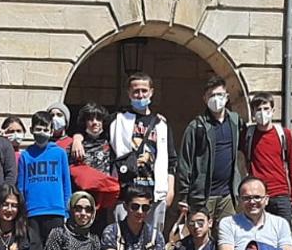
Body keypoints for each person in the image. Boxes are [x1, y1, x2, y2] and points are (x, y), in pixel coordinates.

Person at [106, 71, 172, 228]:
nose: (140, 95)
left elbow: (172, 160)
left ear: (151, 92)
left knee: (153, 240)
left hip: (155, 194)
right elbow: (93, 131)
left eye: (144, 90)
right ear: (129, 93)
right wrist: (78, 138)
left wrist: (170, 190)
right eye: (136, 91)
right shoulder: (117, 120)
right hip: (125, 193)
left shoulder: (161, 124)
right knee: (122, 239)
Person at [177, 75, 244, 225]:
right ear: (205, 99)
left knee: (227, 238)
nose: (216, 99)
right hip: (202, 197)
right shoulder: (196, 126)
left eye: (219, 94)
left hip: (228, 196)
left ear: (227, 97)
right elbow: (184, 163)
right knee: (200, 237)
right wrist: (183, 197)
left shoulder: (235, 121)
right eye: (211, 95)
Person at [241, 92, 292, 223]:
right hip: (257, 196)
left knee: (284, 239)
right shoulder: (248, 135)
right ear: (253, 112)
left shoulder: (283, 134)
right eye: (259, 109)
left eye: (266, 108)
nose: (262, 113)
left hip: (281, 196)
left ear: (273, 110)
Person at [18, 110, 72, 242]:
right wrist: (22, 213)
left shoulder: (60, 153)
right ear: (31, 130)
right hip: (32, 212)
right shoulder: (25, 155)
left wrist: (67, 212)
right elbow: (20, 188)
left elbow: (66, 184)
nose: (42, 132)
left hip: (56, 211)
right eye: (38, 129)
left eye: (45, 129)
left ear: (51, 131)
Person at [68, 103, 120, 224]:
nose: (95, 122)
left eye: (98, 119)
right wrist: (77, 138)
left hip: (104, 200)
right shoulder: (76, 145)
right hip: (81, 200)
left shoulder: (111, 142)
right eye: (90, 119)